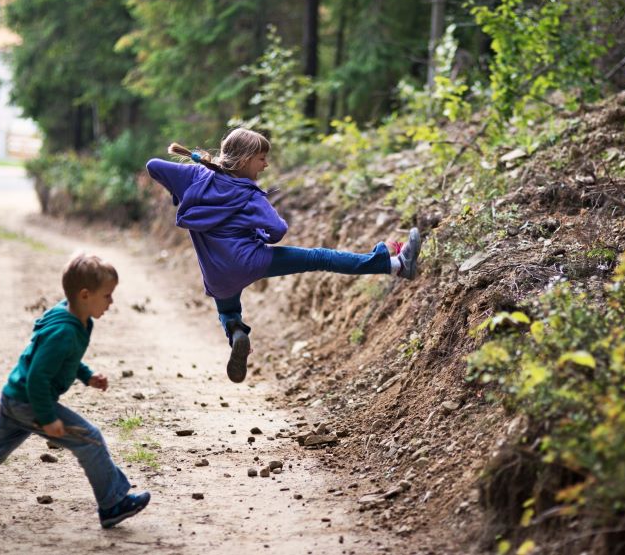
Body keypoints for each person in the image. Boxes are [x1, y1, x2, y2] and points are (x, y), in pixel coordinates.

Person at [146, 127, 421, 384]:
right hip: (253, 261)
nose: (265, 165)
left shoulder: (195, 178)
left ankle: (236, 333)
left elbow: (154, 166)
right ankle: (395, 264)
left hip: (217, 274)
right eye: (261, 158)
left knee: (228, 309)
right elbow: (278, 230)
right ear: (243, 160)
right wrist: (260, 237)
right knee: (319, 257)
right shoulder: (249, 195)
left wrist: (180, 191)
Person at [0, 254, 150, 530]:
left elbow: (64, 360)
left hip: (13, 397)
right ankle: (112, 504)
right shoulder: (64, 331)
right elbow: (38, 377)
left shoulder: (74, 316)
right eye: (107, 296)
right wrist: (47, 417)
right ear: (85, 295)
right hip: (29, 401)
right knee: (90, 439)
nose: (111, 302)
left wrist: (87, 376)